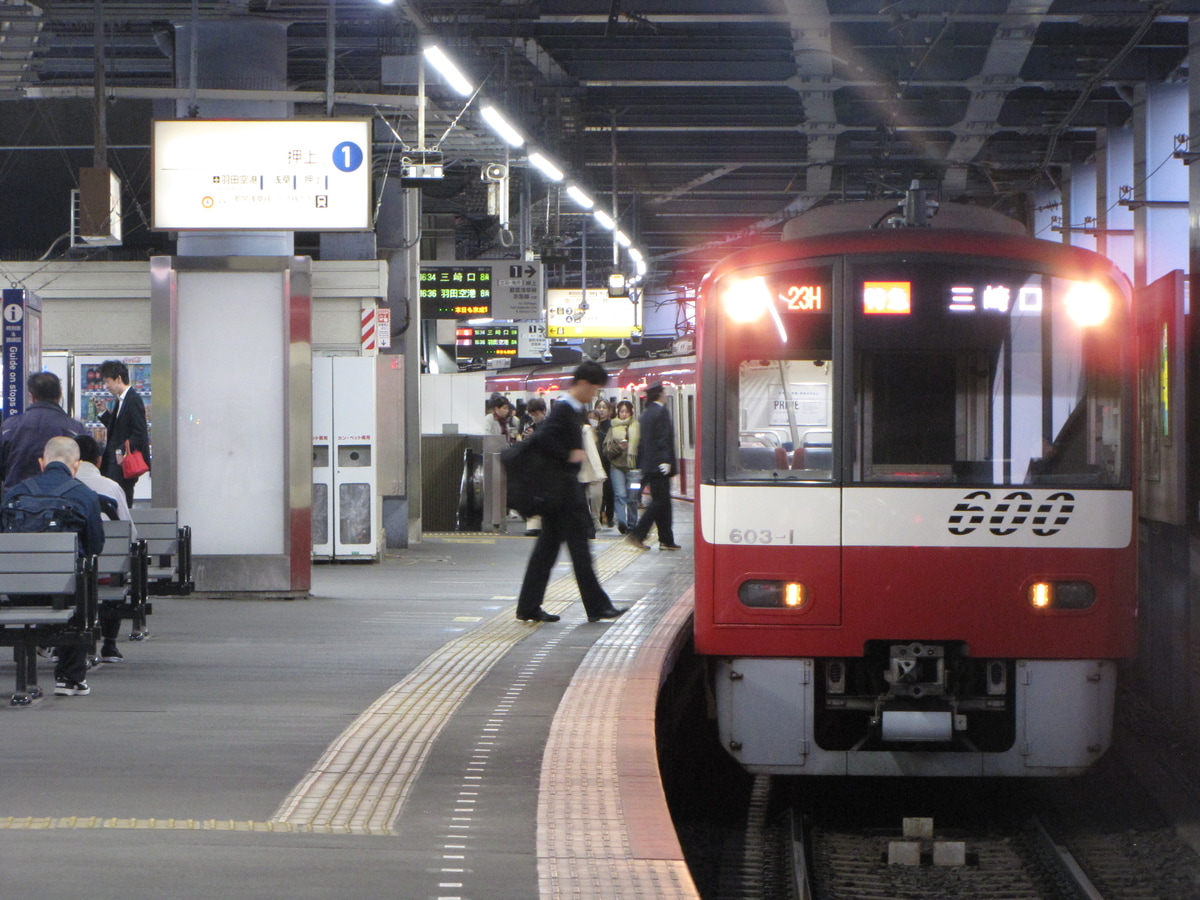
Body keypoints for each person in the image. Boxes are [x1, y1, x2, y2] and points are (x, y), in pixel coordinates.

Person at [515, 361, 627, 624]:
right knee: (579, 552)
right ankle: (597, 606)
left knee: (547, 553)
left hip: (561, 495)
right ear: (584, 383)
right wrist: (569, 455)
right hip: (563, 495)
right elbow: (542, 440)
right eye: (595, 389)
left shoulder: (570, 409)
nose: (595, 395)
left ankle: (529, 606)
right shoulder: (565, 409)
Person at [2, 436, 105, 696]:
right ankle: (70, 678)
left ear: (42, 462)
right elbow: (95, 544)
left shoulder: (15, 493)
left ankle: (27, 675)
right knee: (82, 579)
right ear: (76, 464)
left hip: (17, 592)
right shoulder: (84, 495)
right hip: (64, 593)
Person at [74, 433, 137, 662]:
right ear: (99, 460)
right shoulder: (112, 487)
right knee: (117, 573)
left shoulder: (64, 488)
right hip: (106, 572)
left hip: (69, 576)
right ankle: (109, 644)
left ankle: (68, 647)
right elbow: (130, 533)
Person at [0, 371, 88, 493]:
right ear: (60, 393)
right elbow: (84, 467)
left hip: (17, 498)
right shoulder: (74, 428)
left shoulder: (9, 426)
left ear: (31, 396)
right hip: (62, 498)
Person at [626, 383, 680, 551]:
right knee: (658, 502)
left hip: (649, 465)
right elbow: (662, 438)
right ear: (659, 394)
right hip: (660, 466)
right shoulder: (661, 412)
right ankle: (638, 534)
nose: (665, 395)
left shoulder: (646, 414)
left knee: (663, 503)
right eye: (663, 392)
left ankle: (666, 539)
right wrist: (666, 460)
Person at [94, 360, 150, 506]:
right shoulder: (121, 400)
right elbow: (118, 429)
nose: (106, 386)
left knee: (122, 500)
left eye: (107, 381)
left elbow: (139, 433)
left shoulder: (133, 400)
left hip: (123, 463)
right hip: (115, 462)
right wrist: (103, 412)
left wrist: (121, 450)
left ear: (118, 379)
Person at [604, 400, 641, 534]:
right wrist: (619, 448)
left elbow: (643, 447)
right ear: (618, 412)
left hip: (634, 469)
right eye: (621, 411)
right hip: (617, 467)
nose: (624, 414)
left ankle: (632, 524)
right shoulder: (612, 429)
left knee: (633, 497)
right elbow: (606, 451)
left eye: (627, 411)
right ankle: (622, 522)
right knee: (620, 495)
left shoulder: (637, 427)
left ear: (631, 412)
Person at [520, 397, 548, 537]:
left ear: (544, 411)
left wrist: (535, 436)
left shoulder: (550, 426)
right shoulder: (531, 427)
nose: (534, 417)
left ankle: (544, 525)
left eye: (536, 414)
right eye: (531, 415)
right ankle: (533, 525)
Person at [579, 419, 607, 535]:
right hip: (576, 471)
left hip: (585, 470)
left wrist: (598, 471)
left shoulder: (585, 429)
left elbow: (592, 451)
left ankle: (592, 523)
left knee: (591, 497)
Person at [593, 398, 615, 527]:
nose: (601, 410)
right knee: (597, 491)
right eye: (599, 407)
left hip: (609, 462)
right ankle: (600, 514)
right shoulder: (592, 426)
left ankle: (610, 516)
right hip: (596, 462)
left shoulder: (611, 426)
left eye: (604, 407)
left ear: (609, 410)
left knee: (609, 490)